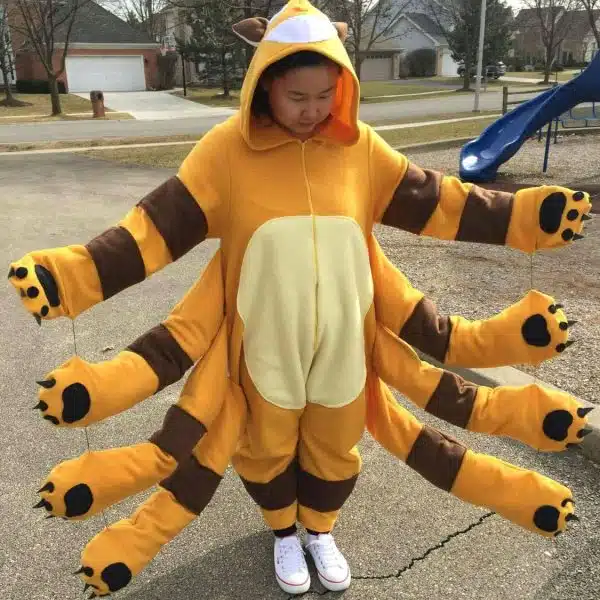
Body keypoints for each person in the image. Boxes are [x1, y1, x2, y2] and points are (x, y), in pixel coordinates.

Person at [9, 0, 592, 595]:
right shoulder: (225, 151)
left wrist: (525, 217)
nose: (312, 110)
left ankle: (319, 528)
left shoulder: (361, 148)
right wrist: (71, 278)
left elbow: (436, 201)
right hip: (263, 346)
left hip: (346, 344)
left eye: (324, 95)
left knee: (336, 445)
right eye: (297, 97)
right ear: (264, 85)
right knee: (264, 446)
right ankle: (283, 531)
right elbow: (156, 229)